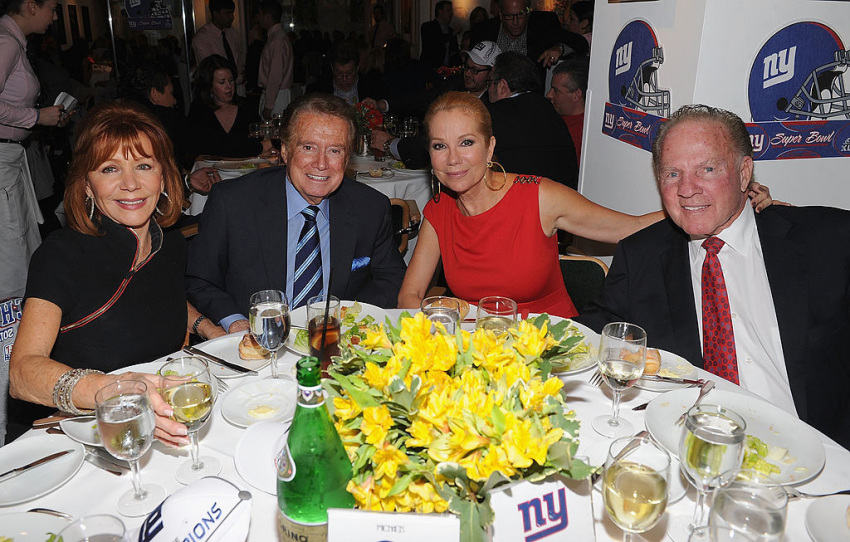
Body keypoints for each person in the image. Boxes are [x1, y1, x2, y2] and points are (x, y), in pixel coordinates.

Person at [577, 104, 850, 450]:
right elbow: (591, 335)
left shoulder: (829, 242)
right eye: (672, 174)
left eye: (707, 169)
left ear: (743, 173)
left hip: (815, 454)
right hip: (693, 448)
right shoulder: (641, 257)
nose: (687, 189)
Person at [397, 93, 774, 320]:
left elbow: (628, 228)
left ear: (490, 147)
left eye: (465, 143)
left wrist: (727, 204)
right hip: (475, 353)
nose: (452, 160)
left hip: (551, 354)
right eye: (439, 146)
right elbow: (408, 297)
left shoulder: (538, 197)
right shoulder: (439, 210)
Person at [8, 101, 225, 443]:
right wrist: (115, 389)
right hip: (78, 433)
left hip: (157, 425)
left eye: (143, 165)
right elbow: (22, 374)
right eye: (110, 169)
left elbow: (157, 298)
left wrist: (211, 329)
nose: (130, 184)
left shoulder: (169, 243)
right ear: (86, 184)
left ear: (164, 175)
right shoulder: (60, 254)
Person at [186, 93, 407, 333]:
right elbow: (200, 280)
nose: (321, 164)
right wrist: (234, 321)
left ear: (346, 159)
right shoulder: (233, 203)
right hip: (256, 344)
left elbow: (390, 278)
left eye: (335, 150)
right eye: (308, 147)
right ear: (285, 151)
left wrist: (351, 322)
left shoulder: (370, 207)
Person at [0, 0, 68, 301]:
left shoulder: (13, 41)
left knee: (23, 243)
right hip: (3, 158)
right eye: (52, 8)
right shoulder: (6, 42)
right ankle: (13, 334)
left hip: (13, 156)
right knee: (12, 249)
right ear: (30, 6)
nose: (54, 17)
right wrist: (37, 117)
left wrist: (40, 116)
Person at [487, 51, 578, 189]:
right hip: (566, 199)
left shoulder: (492, 115)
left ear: (502, 86)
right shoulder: (550, 110)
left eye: (490, 83)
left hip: (523, 201)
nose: (488, 89)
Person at [188, 55, 269, 160]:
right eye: (222, 82)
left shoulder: (246, 107)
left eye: (231, 80)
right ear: (209, 86)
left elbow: (258, 140)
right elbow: (197, 147)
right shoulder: (199, 110)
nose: (229, 86)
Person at [470, 0, 587, 71]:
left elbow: (580, 43)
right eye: (509, 16)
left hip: (529, 101)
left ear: (528, 12)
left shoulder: (543, 24)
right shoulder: (483, 30)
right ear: (500, 15)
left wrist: (560, 48)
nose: (515, 22)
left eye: (520, 15)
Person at [305, 40, 385, 106]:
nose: (344, 78)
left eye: (349, 73)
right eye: (339, 73)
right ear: (332, 68)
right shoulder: (318, 91)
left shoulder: (372, 88)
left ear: (357, 68)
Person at [547, 57, 588, 166]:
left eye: (556, 91)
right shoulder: (551, 116)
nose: (549, 95)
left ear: (576, 95)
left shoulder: (583, 133)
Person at [192, 0, 243, 86]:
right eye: (227, 13)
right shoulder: (203, 37)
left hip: (237, 85)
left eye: (232, 13)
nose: (232, 17)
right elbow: (210, 70)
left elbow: (238, 59)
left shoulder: (231, 32)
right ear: (215, 13)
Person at [257, 0, 293, 119]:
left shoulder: (277, 40)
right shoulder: (277, 37)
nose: (258, 18)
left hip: (277, 95)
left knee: (274, 133)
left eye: (260, 14)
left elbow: (275, 75)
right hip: (277, 93)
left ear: (267, 16)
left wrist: (269, 105)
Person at [420, 1, 459, 69]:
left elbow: (454, 51)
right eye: (448, 10)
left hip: (448, 70)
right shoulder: (428, 27)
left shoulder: (451, 31)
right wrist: (452, 34)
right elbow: (435, 42)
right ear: (440, 11)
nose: (451, 13)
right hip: (430, 69)